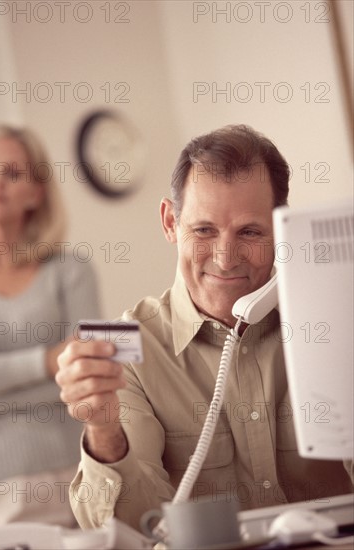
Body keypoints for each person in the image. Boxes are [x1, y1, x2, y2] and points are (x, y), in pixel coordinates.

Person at [56, 124, 353, 532]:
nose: (226, 258)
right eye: (203, 230)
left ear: (281, 230)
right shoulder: (130, 350)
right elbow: (136, 529)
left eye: (249, 232)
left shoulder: (332, 319)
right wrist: (104, 430)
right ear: (169, 222)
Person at [0, 125, 101, 526]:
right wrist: (48, 362)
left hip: (74, 477)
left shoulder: (70, 270)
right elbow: (64, 365)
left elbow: (88, 372)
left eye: (13, 173)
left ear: (36, 193)